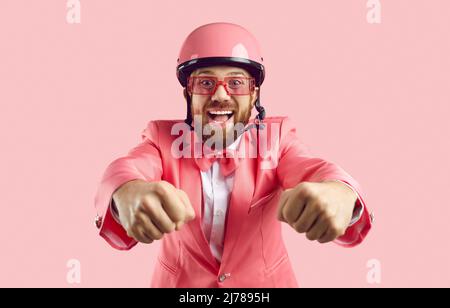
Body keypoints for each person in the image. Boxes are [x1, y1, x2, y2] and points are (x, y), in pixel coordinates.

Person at [94, 22, 373, 288]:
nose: (220, 96)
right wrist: (126, 192)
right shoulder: (161, 138)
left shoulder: (277, 138)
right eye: (205, 83)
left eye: (236, 83)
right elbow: (127, 168)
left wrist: (340, 193)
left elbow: (317, 169)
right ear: (187, 95)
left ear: (254, 96)